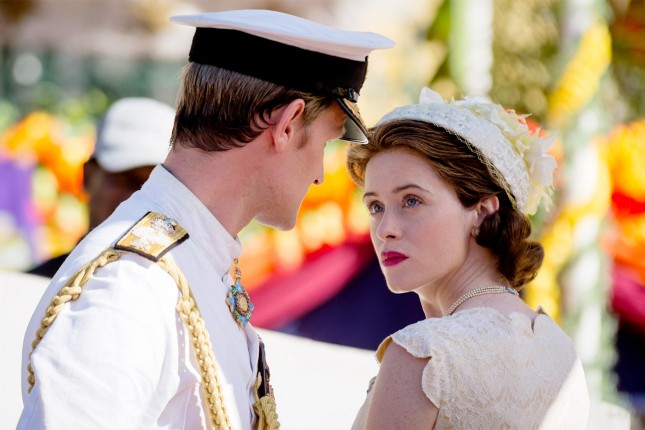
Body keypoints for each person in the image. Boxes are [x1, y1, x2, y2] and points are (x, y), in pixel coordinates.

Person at [17, 9, 393, 430]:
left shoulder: (188, 259)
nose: (320, 174)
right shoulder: (130, 284)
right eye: (325, 142)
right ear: (287, 124)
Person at [347, 87, 590, 429]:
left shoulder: (423, 354)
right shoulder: (562, 352)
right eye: (376, 207)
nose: (385, 229)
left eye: (411, 201)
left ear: (482, 211)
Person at [27, 97, 175, 278]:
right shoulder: (32, 287)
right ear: (88, 176)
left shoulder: (183, 293)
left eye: (154, 186)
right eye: (126, 179)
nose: (138, 197)